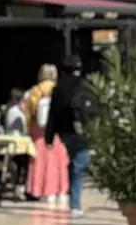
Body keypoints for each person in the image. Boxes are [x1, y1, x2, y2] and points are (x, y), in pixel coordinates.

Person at [45, 59, 95, 214]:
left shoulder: (58, 89)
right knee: (79, 164)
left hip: (64, 131)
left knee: (75, 161)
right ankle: (74, 203)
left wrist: (49, 135)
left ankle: (72, 197)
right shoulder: (84, 86)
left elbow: (52, 114)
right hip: (80, 130)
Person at [25, 63, 67, 207]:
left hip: (38, 132)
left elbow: (28, 114)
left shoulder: (34, 92)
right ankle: (60, 191)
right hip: (56, 132)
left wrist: (29, 130)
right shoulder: (59, 90)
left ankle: (40, 190)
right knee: (57, 162)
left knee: (40, 162)